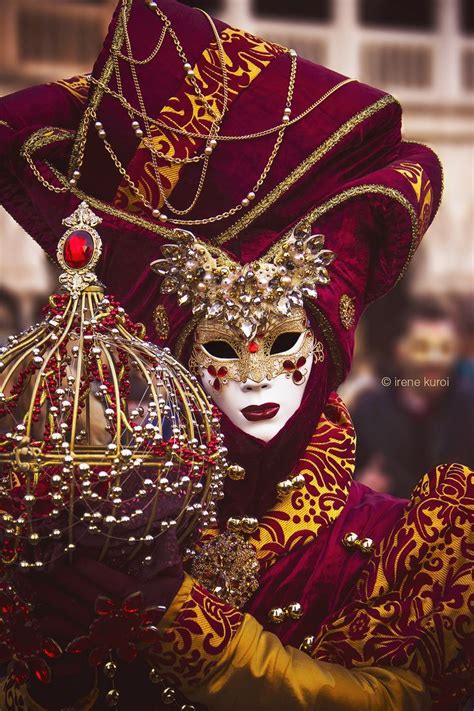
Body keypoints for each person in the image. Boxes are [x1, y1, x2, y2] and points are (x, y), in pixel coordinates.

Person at [0, 1, 471, 709]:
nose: (256, 377)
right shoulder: (101, 525)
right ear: (173, 359)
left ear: (330, 345)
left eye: (283, 343)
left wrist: (192, 630)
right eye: (221, 348)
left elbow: (407, 698)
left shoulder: (412, 544)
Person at [352, 299, 474, 497]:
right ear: (401, 351)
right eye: (422, 347)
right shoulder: (368, 411)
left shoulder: (468, 408)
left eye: (444, 348)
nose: (434, 360)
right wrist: (362, 489)